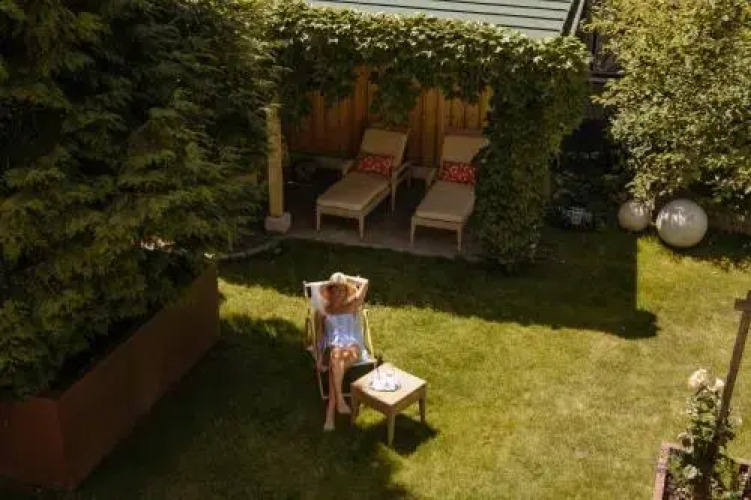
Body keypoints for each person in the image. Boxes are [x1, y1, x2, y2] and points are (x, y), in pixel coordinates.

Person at [316, 272, 369, 431]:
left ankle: (332, 412)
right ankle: (339, 403)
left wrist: (346, 279)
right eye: (335, 289)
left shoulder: (352, 305)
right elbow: (320, 338)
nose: (339, 293)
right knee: (336, 355)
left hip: (353, 347)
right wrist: (319, 358)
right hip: (334, 350)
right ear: (330, 291)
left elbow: (365, 283)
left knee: (335, 361)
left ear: (346, 292)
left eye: (342, 290)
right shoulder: (322, 311)